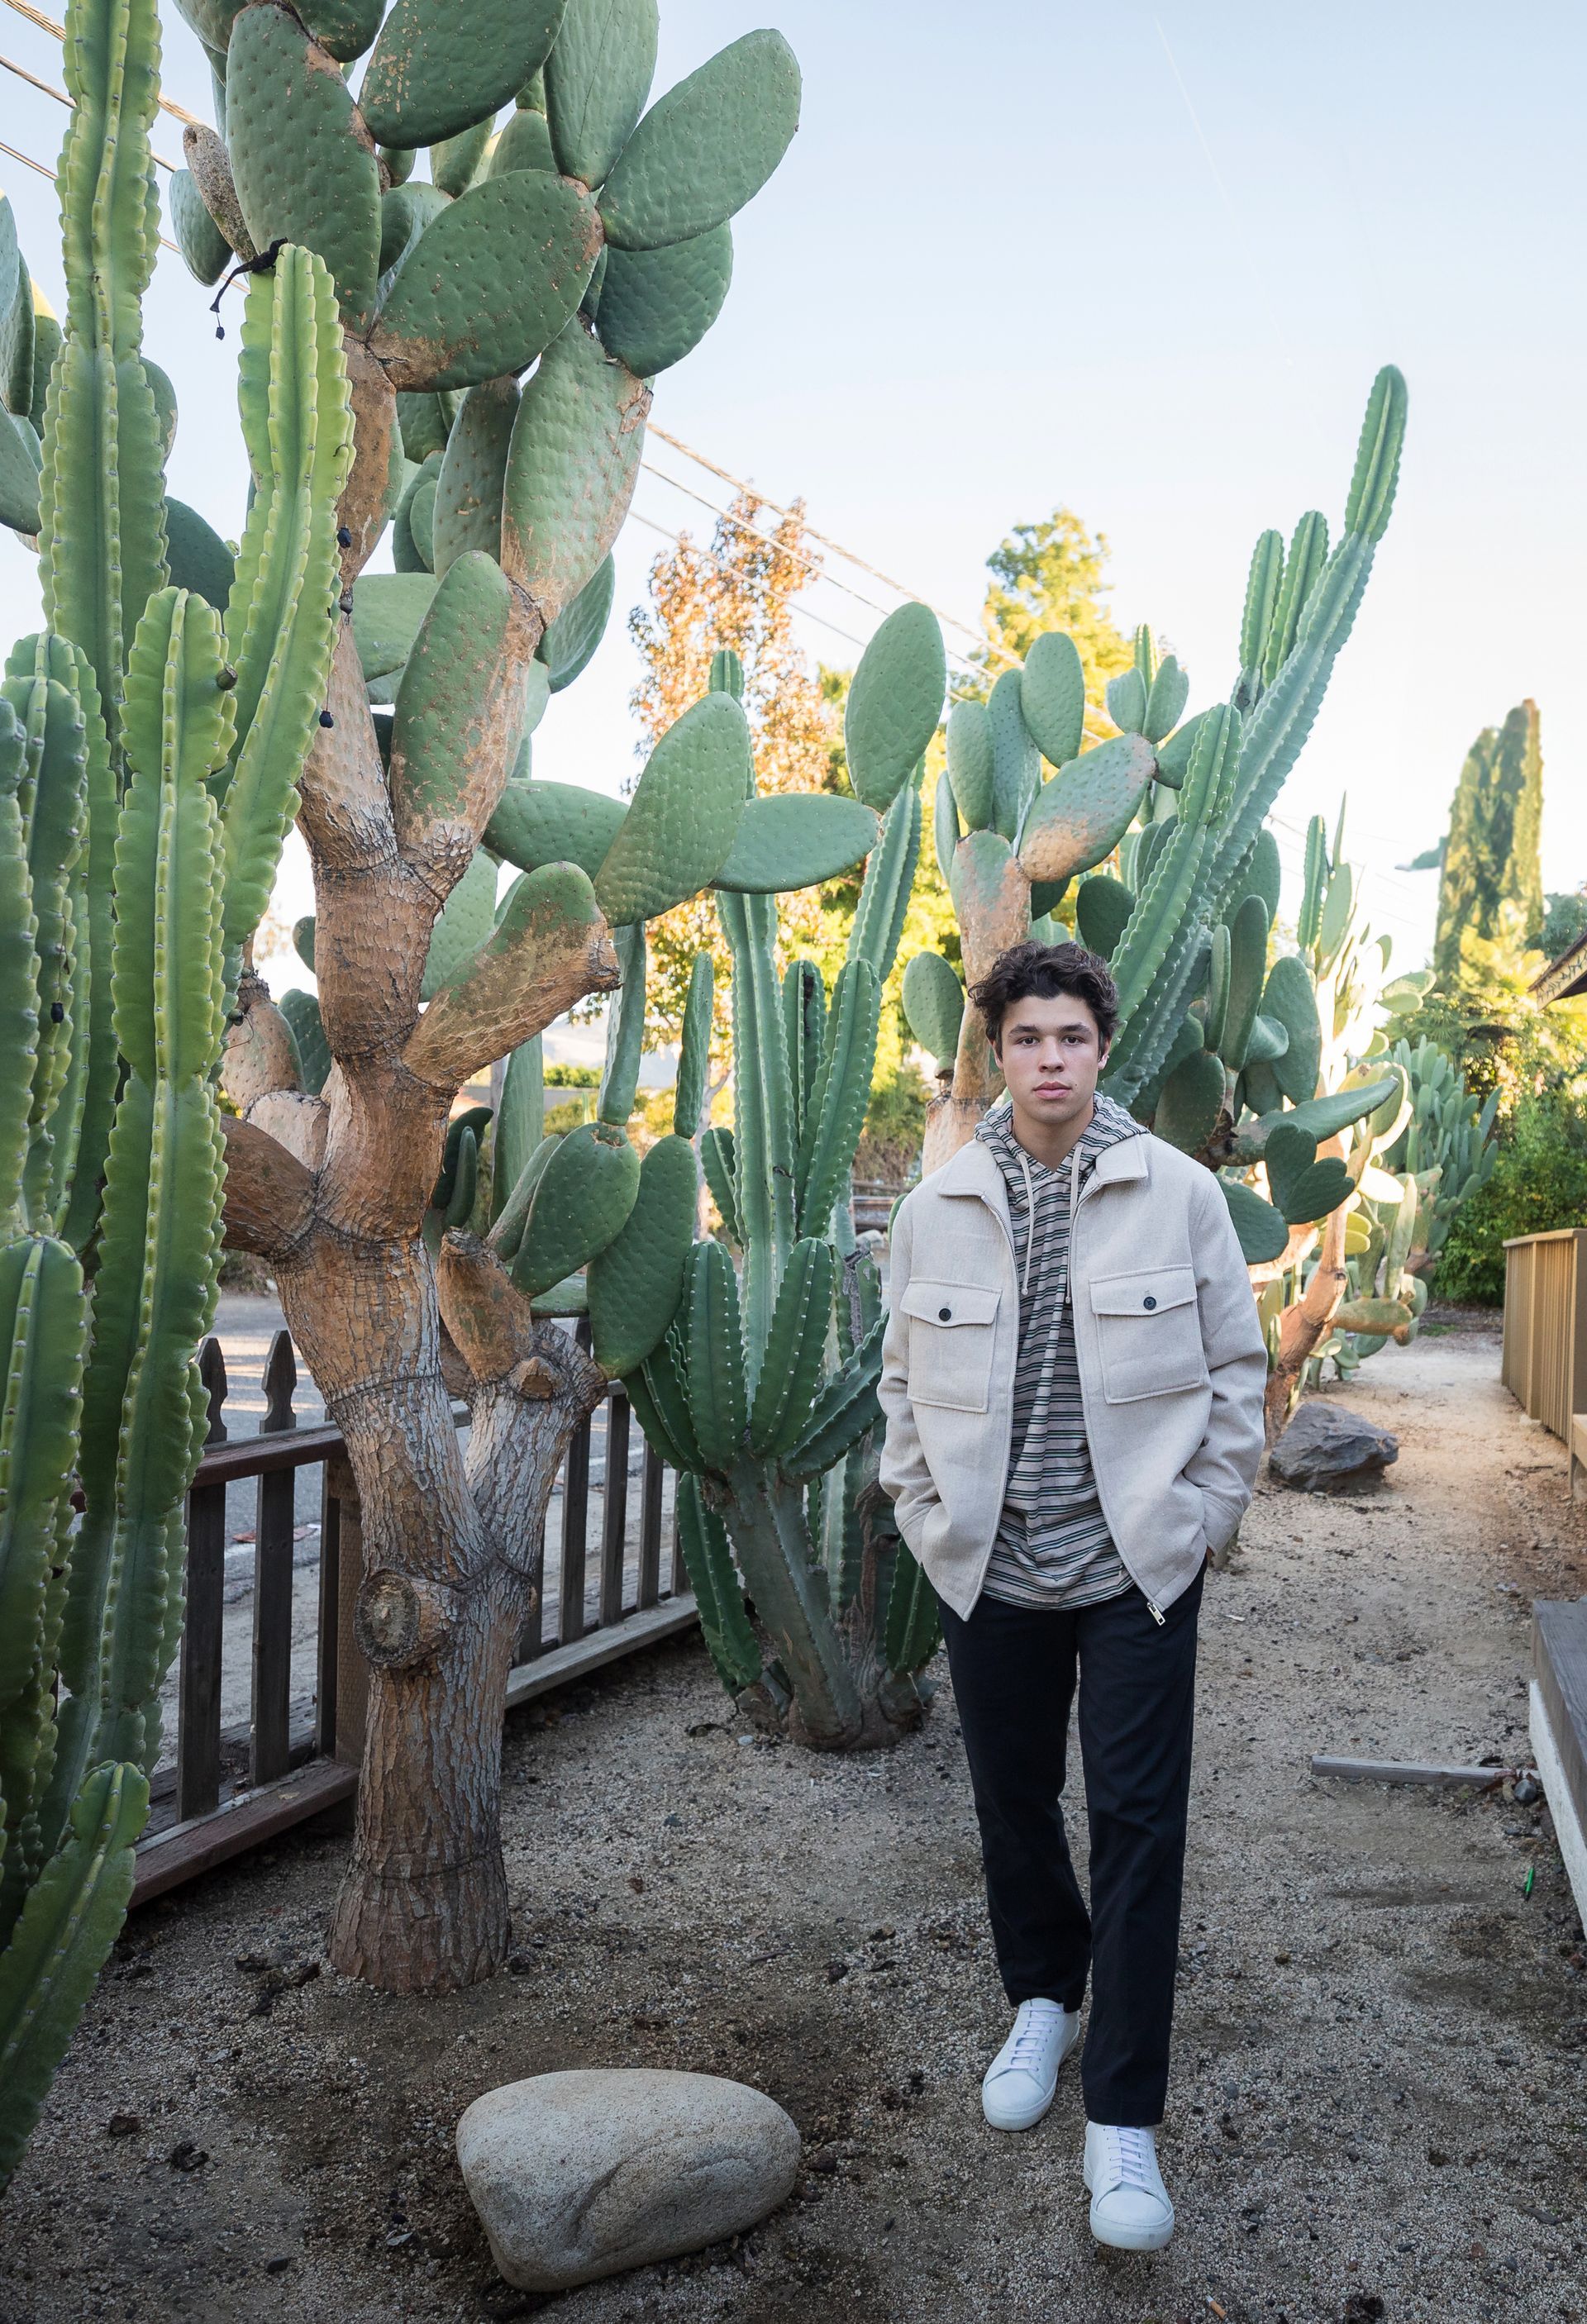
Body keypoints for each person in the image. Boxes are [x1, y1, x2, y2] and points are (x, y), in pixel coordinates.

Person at [879, 939, 1265, 2253]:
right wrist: (928, 1520)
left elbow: (1234, 1368)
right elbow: (897, 1388)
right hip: (990, 1564)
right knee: (1012, 1802)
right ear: (999, 1051)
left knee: (1142, 1825)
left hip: (1135, 1570)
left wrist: (1204, 1518)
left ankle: (1124, 2121)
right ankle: (1042, 1995)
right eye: (1030, 1039)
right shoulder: (940, 1206)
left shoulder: (1181, 1195)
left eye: (1074, 1039)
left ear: (1104, 1051)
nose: (1052, 1060)